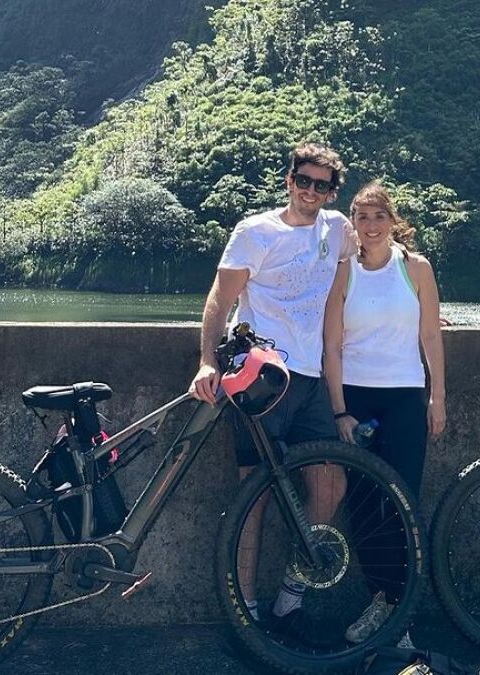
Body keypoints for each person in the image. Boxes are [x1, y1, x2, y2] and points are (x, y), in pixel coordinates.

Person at [189, 142, 355, 626]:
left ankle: (291, 597)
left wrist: (422, 305)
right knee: (254, 495)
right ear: (289, 180)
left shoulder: (336, 229)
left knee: (331, 483)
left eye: (321, 185)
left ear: (332, 192)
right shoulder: (256, 231)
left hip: (310, 378)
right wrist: (206, 361)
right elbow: (219, 300)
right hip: (260, 379)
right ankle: (247, 612)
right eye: (303, 180)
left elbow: (378, 246)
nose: (310, 191)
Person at [322, 181, 446, 646]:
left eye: (379, 216)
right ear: (353, 223)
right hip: (357, 400)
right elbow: (332, 347)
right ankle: (381, 600)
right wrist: (339, 411)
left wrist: (438, 397)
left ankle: (400, 615)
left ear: (393, 221)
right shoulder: (344, 272)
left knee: (402, 504)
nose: (371, 226)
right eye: (362, 217)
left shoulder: (416, 268)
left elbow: (430, 336)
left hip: (405, 398)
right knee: (362, 505)